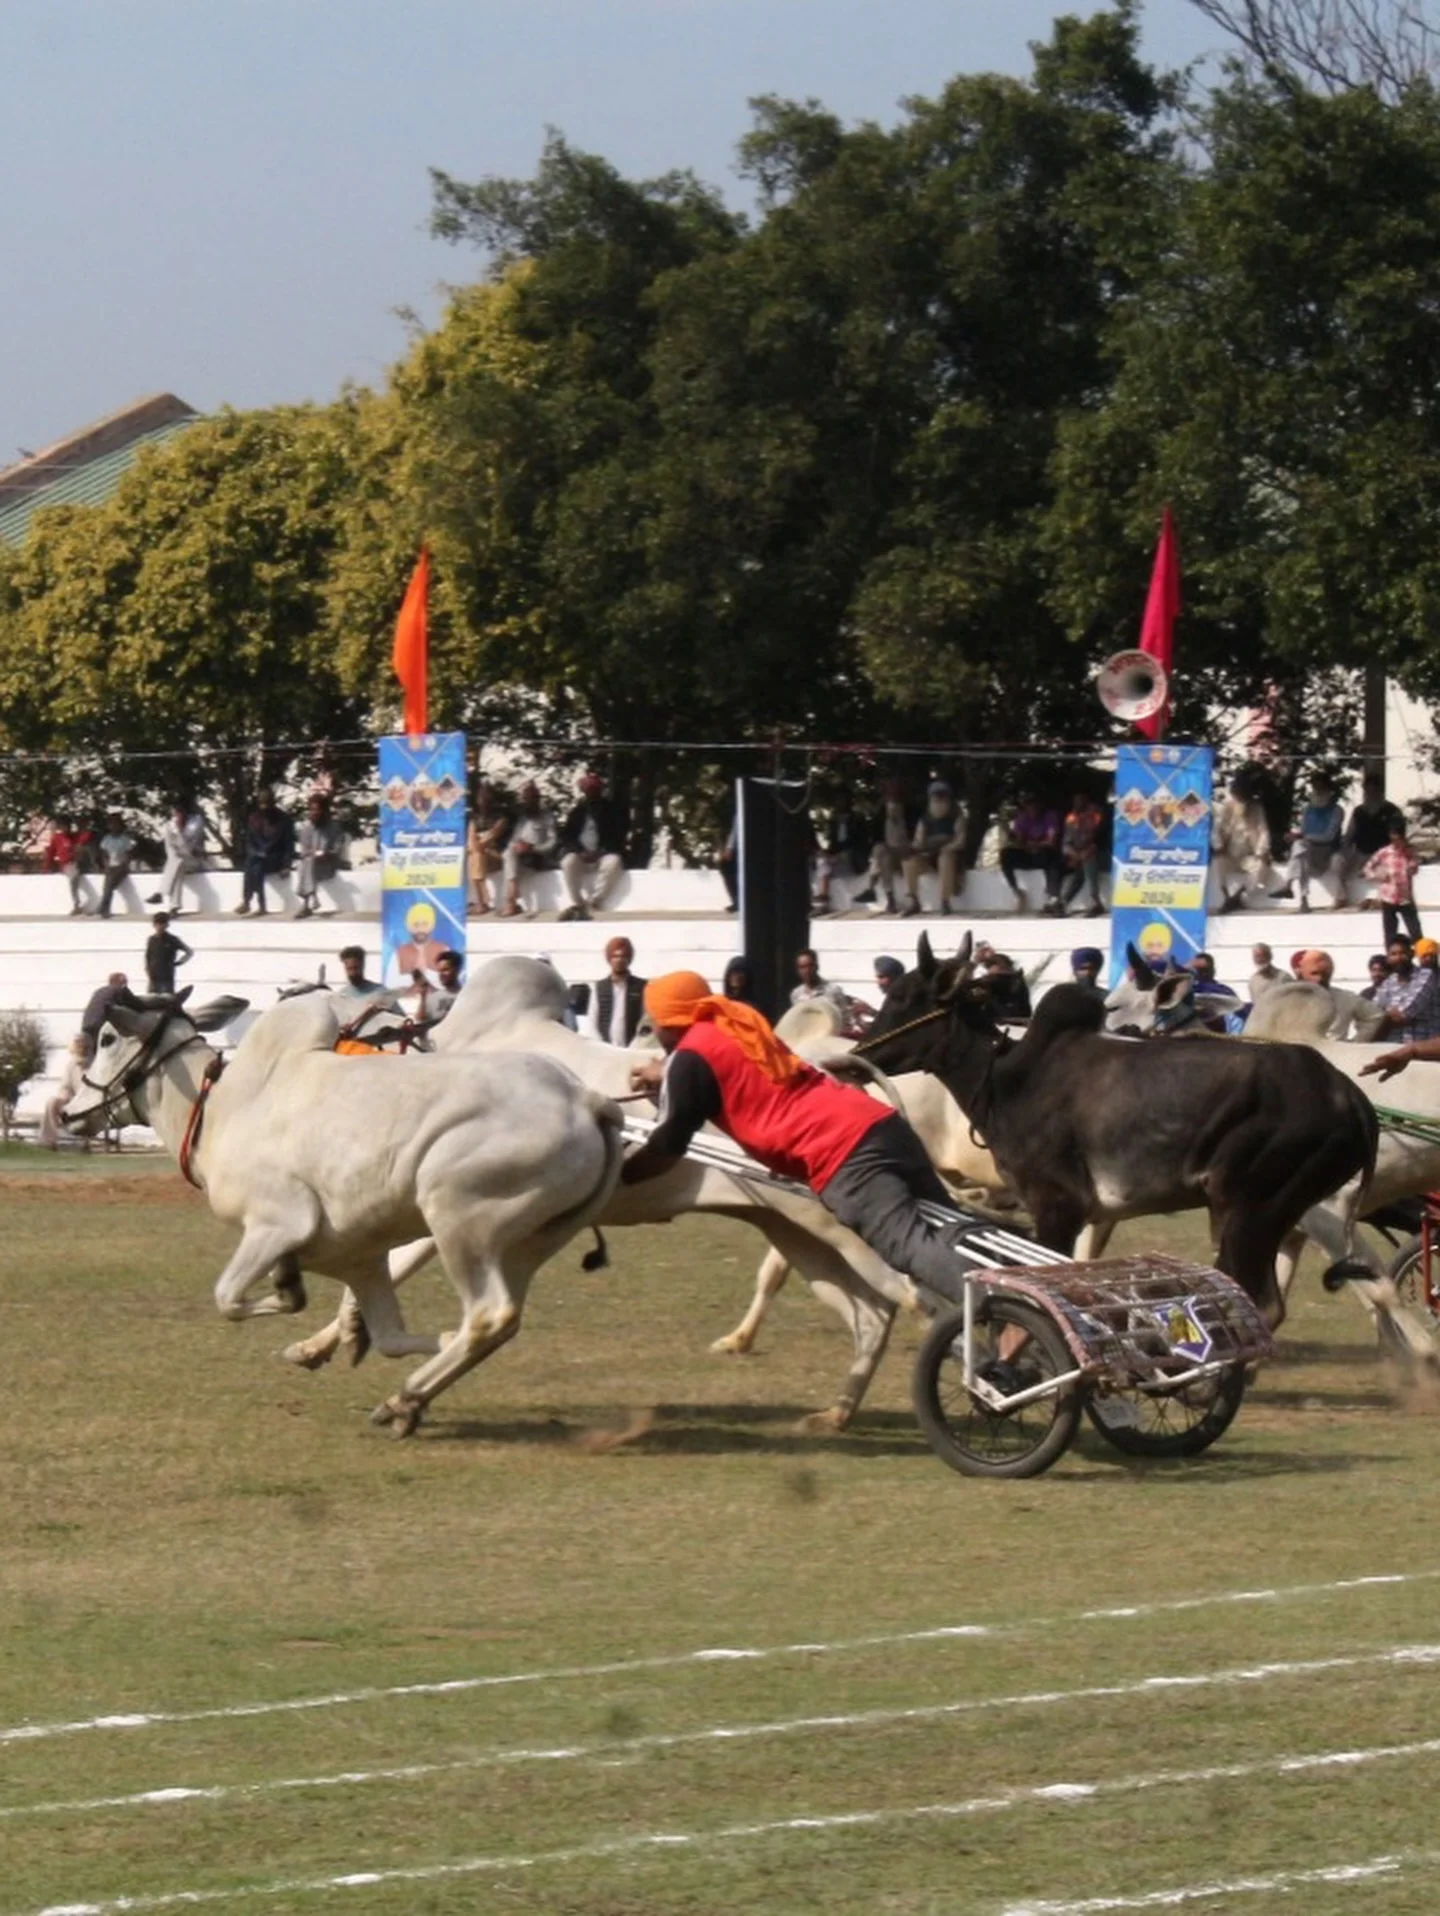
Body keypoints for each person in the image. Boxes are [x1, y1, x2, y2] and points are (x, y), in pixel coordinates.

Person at [620, 972, 974, 1304]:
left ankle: (1004, 1309)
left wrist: (619, 1179)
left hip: (840, 1155)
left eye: (655, 1022)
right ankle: (1018, 1281)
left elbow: (667, 1146)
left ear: (670, 1020)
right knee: (949, 1225)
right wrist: (665, 1073)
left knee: (906, 1243)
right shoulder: (735, 1025)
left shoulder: (691, 1057)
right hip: (878, 1124)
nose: (655, 1031)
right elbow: (714, 1070)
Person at [558, 771, 625, 922]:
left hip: (602, 854)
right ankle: (578, 902)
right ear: (584, 792)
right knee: (567, 862)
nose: (592, 793)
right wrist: (579, 851)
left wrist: (601, 852)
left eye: (595, 790)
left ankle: (595, 901)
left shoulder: (611, 811)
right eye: (588, 790)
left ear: (600, 791)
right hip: (581, 855)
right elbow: (567, 836)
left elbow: (618, 835)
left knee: (614, 862)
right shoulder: (576, 812)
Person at [1273, 774, 1345, 912]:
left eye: (1321, 788)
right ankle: (1303, 899)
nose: (1318, 791)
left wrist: (1304, 837)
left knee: (1301, 847)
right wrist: (1295, 836)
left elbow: (1328, 836)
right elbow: (1304, 832)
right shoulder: (1308, 810)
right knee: (1299, 850)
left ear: (1328, 790)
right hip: (1309, 851)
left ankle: (1288, 885)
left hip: (1327, 852)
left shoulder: (1337, 811)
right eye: (1315, 788)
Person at [901, 779, 966, 918]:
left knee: (945, 857)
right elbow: (918, 842)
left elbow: (960, 841)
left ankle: (944, 902)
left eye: (942, 797)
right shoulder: (925, 819)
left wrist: (946, 847)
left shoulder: (957, 816)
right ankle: (913, 901)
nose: (939, 802)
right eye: (936, 798)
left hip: (950, 861)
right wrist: (911, 849)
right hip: (929, 858)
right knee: (909, 861)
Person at [573, 935, 649, 1046]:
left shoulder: (641, 986)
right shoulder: (599, 987)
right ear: (609, 959)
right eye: (615, 956)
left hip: (633, 1048)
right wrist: (601, 1045)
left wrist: (637, 1044)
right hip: (606, 1048)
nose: (619, 960)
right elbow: (592, 1019)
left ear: (629, 959)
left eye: (623, 956)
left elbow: (645, 1019)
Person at [812, 785, 873, 915]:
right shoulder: (833, 821)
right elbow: (833, 842)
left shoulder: (857, 819)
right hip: (837, 856)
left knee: (826, 862)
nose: (840, 803)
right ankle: (822, 899)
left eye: (843, 799)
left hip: (851, 856)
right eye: (838, 800)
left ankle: (822, 899)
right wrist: (828, 853)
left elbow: (858, 842)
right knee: (823, 861)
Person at [501, 780, 558, 917]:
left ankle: (511, 902)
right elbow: (513, 840)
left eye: (531, 799)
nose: (528, 802)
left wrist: (532, 848)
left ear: (537, 799)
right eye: (526, 799)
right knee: (509, 852)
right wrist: (518, 846)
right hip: (520, 856)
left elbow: (553, 843)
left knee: (509, 856)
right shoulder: (523, 819)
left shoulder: (547, 817)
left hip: (538, 857)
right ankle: (511, 899)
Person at [1000, 793, 1063, 916]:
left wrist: (1035, 845)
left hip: (1044, 852)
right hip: (1029, 852)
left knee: (1051, 857)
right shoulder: (1023, 818)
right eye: (1029, 806)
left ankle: (1052, 896)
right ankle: (1017, 891)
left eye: (1034, 805)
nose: (1032, 809)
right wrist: (1010, 833)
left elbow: (1051, 841)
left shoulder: (1050, 816)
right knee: (1006, 854)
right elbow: (1018, 841)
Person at [861, 778, 917, 915]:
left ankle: (870, 887)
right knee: (881, 852)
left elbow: (917, 839)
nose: (893, 801)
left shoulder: (911, 813)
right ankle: (890, 899)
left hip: (907, 854)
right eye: (890, 797)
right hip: (888, 855)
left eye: (895, 796)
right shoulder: (880, 816)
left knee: (879, 852)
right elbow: (874, 839)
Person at [1364, 817, 1422, 948]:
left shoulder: (1410, 851)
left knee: (1415, 931)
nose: (1397, 842)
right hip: (1388, 897)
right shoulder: (1384, 852)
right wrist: (1378, 876)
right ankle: (1390, 959)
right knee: (1390, 933)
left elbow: (1415, 867)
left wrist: (1412, 866)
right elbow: (1367, 868)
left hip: (1405, 897)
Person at [236, 787, 294, 916]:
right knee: (252, 864)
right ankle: (252, 902)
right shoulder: (254, 818)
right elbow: (249, 842)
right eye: (262, 806)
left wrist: (286, 865)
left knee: (255, 865)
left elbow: (289, 844)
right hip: (258, 856)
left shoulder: (283, 819)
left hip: (275, 857)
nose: (265, 809)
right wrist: (256, 853)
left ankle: (253, 903)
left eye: (267, 805)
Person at [1373, 936, 1440, 1044]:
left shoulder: (1426, 976)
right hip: (1393, 1047)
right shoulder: (1388, 982)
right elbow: (1372, 1013)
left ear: (1412, 954)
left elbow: (1404, 1014)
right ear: (1388, 958)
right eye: (1393, 954)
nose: (1398, 958)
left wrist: (1384, 1016)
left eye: (1403, 953)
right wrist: (1385, 1016)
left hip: (1423, 1048)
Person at [1345, 773, 1406, 882]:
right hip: (1361, 854)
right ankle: (1342, 898)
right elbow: (1350, 834)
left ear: (1380, 791)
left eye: (1374, 791)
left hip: (1384, 855)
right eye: (1368, 791)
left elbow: (1398, 836)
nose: (1371, 794)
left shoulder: (1392, 811)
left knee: (1384, 875)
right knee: (1341, 867)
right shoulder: (1358, 811)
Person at [147, 803, 205, 914]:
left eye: (180, 813)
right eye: (176, 814)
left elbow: (190, 848)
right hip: (179, 862)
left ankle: (161, 892)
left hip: (194, 861)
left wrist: (179, 831)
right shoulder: (170, 826)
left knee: (178, 861)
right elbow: (169, 849)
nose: (178, 816)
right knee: (178, 866)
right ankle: (174, 906)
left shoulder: (196, 824)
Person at [294, 793, 344, 918]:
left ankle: (307, 903)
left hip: (328, 864)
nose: (314, 813)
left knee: (307, 863)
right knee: (308, 862)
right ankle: (312, 898)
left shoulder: (333, 827)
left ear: (323, 810)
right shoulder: (306, 828)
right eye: (311, 809)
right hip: (312, 863)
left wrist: (328, 854)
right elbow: (304, 851)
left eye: (317, 809)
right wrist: (312, 853)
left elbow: (338, 847)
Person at [38, 1037, 91, 1150]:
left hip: (91, 1102)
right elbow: (65, 1087)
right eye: (78, 1046)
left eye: (83, 1046)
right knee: (51, 1102)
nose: (81, 1049)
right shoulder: (71, 1064)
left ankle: (82, 1144)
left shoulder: (96, 1063)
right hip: (72, 1101)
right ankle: (49, 1141)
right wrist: (65, 1097)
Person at [467, 781, 510, 915]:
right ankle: (482, 898)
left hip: (497, 856)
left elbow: (491, 836)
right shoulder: (474, 818)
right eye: (481, 797)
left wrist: (478, 842)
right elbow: (471, 838)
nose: (483, 800)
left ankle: (481, 903)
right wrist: (476, 843)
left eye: (486, 796)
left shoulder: (501, 818)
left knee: (475, 855)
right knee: (475, 856)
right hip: (480, 855)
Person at [1060, 793, 1106, 916]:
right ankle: (1063, 902)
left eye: (1081, 801)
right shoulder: (1071, 818)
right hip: (1079, 854)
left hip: (1099, 853)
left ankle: (1095, 901)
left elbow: (1102, 837)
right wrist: (1074, 854)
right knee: (1079, 870)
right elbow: (1066, 843)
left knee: (1088, 861)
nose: (1078, 804)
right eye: (1076, 802)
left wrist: (1089, 850)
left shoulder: (1095, 815)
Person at [44, 816, 96, 915]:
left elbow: (87, 835)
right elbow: (50, 853)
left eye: (67, 826)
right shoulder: (57, 838)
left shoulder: (74, 836)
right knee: (73, 877)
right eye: (63, 826)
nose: (65, 828)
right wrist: (47, 867)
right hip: (67, 864)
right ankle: (76, 903)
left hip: (79, 862)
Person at [81, 972, 143, 1046]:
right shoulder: (120, 990)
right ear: (122, 983)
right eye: (125, 982)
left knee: (93, 1052)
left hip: (87, 1026)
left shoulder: (99, 991)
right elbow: (137, 1005)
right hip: (101, 1027)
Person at [332, 945, 400, 1011]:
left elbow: (401, 1018)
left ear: (363, 965)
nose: (353, 973)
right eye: (349, 969)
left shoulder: (380, 992)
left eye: (356, 968)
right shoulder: (341, 997)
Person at [95, 813, 136, 919]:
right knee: (109, 884)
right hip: (110, 866)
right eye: (111, 824)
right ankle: (104, 907)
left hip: (121, 867)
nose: (114, 826)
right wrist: (106, 865)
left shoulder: (125, 839)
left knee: (109, 883)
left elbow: (128, 855)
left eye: (116, 824)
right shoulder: (106, 839)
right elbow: (104, 854)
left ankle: (103, 906)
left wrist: (122, 865)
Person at [410, 949, 463, 1028]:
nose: (441, 975)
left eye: (445, 970)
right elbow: (419, 1022)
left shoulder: (467, 995)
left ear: (457, 970)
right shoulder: (432, 998)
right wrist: (423, 997)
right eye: (439, 971)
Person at [144, 913, 192, 996]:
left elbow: (189, 952)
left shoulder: (172, 939)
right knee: (152, 999)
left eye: (162, 924)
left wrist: (180, 962)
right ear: (154, 925)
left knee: (168, 1000)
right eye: (158, 924)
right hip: (154, 977)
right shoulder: (151, 940)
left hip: (167, 976)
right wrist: (147, 968)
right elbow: (148, 955)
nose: (160, 927)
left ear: (166, 925)